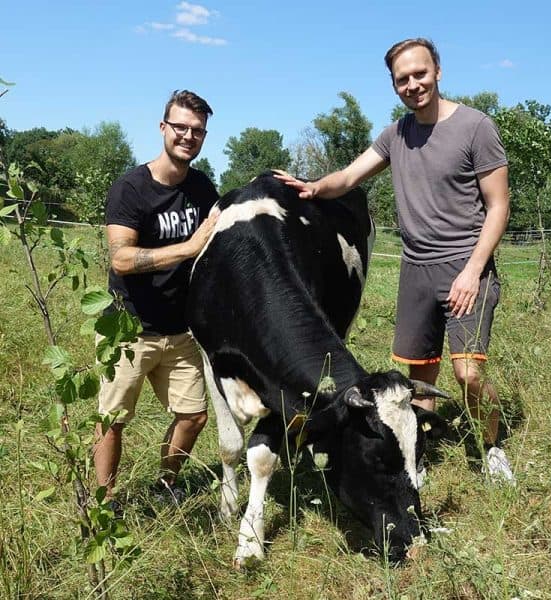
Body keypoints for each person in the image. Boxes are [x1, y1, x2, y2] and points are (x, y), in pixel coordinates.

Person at [275, 38, 514, 484]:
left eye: (420, 74)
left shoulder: (476, 127)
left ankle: (492, 447)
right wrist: (311, 187)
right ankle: (417, 456)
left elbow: (498, 206)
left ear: (438, 71)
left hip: (467, 266)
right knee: (420, 377)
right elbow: (349, 176)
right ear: (394, 85)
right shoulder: (396, 135)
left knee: (467, 373)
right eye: (402, 79)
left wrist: (472, 271)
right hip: (417, 270)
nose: (413, 84)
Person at [94, 89, 220, 505]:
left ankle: (166, 485)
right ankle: (104, 503)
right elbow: (121, 260)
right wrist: (186, 247)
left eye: (197, 130)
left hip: (179, 330)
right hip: (129, 328)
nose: (188, 136)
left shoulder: (203, 189)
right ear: (163, 128)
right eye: (180, 127)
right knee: (112, 421)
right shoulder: (131, 189)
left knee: (194, 416)